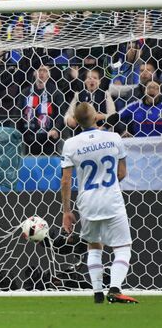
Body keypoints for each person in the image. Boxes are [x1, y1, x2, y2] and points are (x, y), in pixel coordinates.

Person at [60, 102, 138, 304]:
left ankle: (97, 293)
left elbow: (66, 180)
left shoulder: (71, 144)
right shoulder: (114, 138)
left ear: (76, 121)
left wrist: (66, 211)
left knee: (94, 246)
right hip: (111, 199)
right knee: (122, 246)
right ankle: (115, 287)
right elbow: (122, 173)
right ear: (96, 117)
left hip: (87, 201)